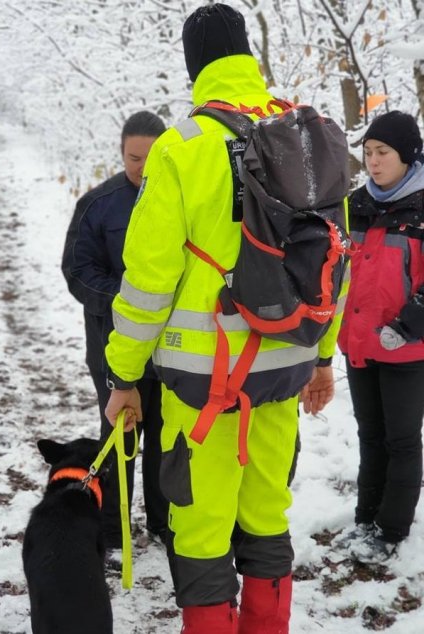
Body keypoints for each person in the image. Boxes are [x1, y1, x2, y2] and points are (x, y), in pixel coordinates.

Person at [102, 5, 342, 632]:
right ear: (247, 59)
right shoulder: (307, 136)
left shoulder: (183, 148)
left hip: (205, 381)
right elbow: (333, 262)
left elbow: (149, 282)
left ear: (194, 68)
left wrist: (122, 376)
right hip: (286, 361)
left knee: (201, 523)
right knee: (267, 509)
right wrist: (321, 356)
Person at [61, 110, 170, 551]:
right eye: (133, 158)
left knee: (166, 438)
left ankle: (164, 525)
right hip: (111, 344)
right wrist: (128, 303)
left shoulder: (180, 200)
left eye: (151, 157)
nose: (142, 167)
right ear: (121, 153)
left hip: (171, 350)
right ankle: (112, 531)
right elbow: (77, 271)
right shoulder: (97, 204)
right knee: (120, 439)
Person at [335, 111, 424, 564]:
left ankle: (390, 530)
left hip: (407, 348)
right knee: (370, 436)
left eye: (382, 153)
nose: (372, 161)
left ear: (407, 156)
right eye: (367, 153)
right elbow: (335, 270)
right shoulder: (355, 205)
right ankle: (365, 520)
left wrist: (406, 326)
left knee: (402, 440)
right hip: (359, 344)